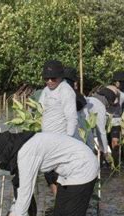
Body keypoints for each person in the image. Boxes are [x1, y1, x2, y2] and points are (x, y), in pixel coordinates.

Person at [38, 61, 79, 194]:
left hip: (61, 140)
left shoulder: (66, 91)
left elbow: (72, 118)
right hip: (46, 140)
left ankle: (62, 204)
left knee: (61, 176)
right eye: (46, 78)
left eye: (53, 78)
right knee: (48, 174)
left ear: (61, 77)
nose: (49, 81)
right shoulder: (45, 91)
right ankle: (57, 203)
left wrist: (68, 141)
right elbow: (40, 110)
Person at [90, 85, 124, 168]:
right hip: (101, 123)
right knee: (97, 145)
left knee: (114, 143)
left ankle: (114, 165)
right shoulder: (99, 105)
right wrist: (105, 151)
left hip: (116, 121)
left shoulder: (123, 97)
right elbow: (101, 132)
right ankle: (100, 165)